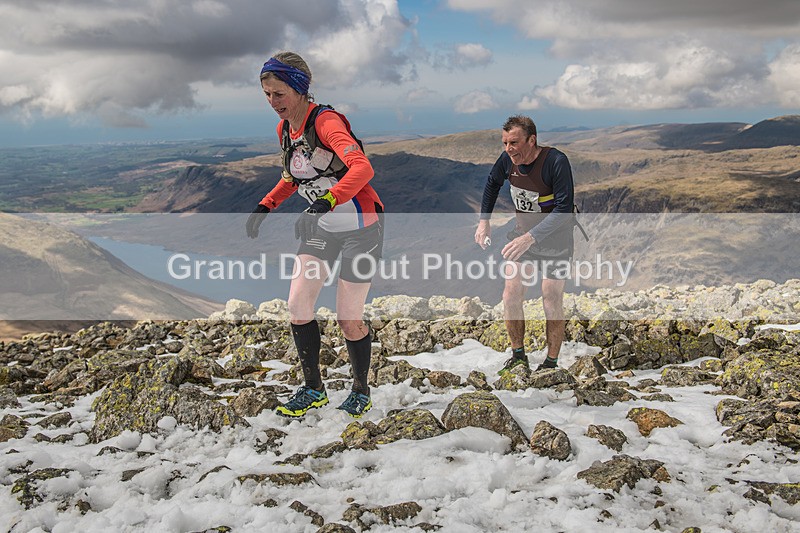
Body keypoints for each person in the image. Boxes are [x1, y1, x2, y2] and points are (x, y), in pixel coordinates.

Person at [246, 51, 383, 418]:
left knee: (348, 318)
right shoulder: (285, 130)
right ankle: (313, 389)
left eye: (279, 94)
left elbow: (362, 168)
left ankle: (360, 389)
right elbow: (295, 176)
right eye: (267, 95)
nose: (273, 103)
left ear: (299, 88)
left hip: (360, 229)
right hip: (322, 226)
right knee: (298, 306)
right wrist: (266, 205)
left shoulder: (326, 122)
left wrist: (327, 200)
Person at [474, 115, 575, 374]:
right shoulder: (507, 160)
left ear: (532, 140)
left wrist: (531, 238)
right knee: (511, 292)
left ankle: (551, 363)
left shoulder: (555, 162)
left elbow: (563, 209)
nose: (509, 149)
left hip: (556, 240)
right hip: (523, 236)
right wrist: (484, 222)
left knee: (551, 298)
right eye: (505, 143)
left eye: (515, 142)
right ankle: (518, 356)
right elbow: (492, 184)